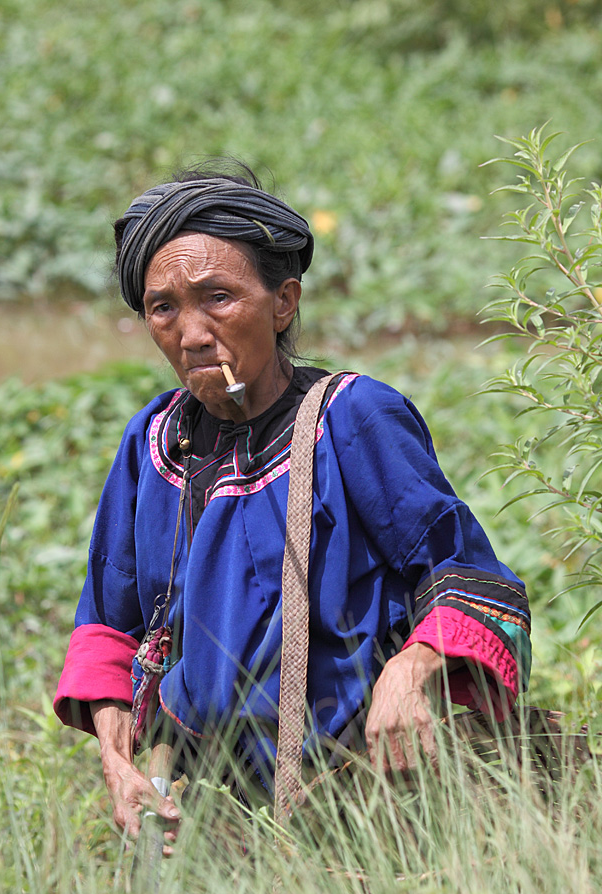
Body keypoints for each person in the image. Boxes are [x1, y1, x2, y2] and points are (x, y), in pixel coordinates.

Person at [54, 163, 531, 853]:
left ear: (283, 302)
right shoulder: (153, 444)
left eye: (218, 297)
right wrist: (117, 761)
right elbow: (109, 625)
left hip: (364, 801)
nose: (190, 333)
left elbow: (470, 579)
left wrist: (413, 668)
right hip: (206, 814)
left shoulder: (350, 417)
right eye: (163, 309)